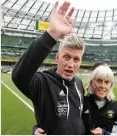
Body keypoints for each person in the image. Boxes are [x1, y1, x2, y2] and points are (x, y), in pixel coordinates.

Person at [12, 1, 85, 135]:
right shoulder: (42, 82)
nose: (71, 64)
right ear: (57, 58)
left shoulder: (79, 84)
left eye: (76, 59)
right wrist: (52, 33)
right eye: (66, 57)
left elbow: (79, 119)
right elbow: (19, 76)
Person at [33, 65, 117, 135]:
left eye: (106, 82)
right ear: (92, 82)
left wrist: (105, 133)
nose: (102, 86)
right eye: (99, 81)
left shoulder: (116, 106)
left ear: (111, 85)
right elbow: (61, 120)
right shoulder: (82, 101)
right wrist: (36, 128)